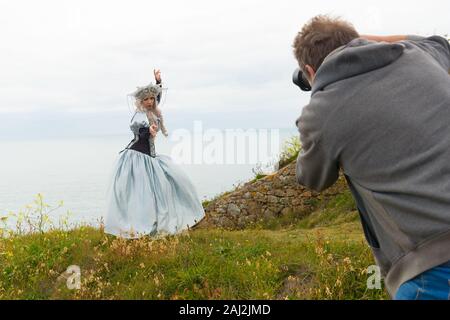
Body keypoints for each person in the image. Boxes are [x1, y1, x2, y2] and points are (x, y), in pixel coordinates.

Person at [292, 15, 450, 299]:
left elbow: (311, 178)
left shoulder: (322, 111)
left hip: (434, 266)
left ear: (308, 70)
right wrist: (358, 43)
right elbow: (438, 42)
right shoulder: (420, 55)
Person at [104, 69, 205, 238]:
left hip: (150, 157)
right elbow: (140, 130)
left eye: (152, 98)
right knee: (141, 195)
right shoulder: (139, 115)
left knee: (172, 183)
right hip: (136, 157)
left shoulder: (153, 111)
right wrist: (148, 130)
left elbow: (158, 98)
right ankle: (137, 227)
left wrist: (158, 81)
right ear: (140, 101)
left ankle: (169, 219)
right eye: (146, 99)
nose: (150, 101)